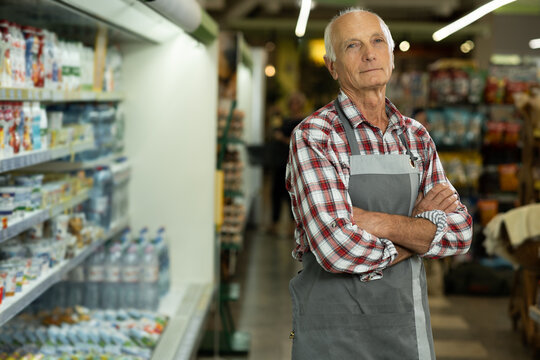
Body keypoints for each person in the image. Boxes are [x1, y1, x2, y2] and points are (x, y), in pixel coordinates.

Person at [285, 8, 472, 359]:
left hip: (407, 328)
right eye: (353, 45)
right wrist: (418, 234)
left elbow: (461, 233)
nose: (370, 53)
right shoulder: (315, 136)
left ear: (391, 54)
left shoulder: (416, 137)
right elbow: (335, 248)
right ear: (333, 66)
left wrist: (377, 222)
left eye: (377, 42)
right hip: (334, 336)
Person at [268, 92, 307, 235]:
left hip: (294, 162)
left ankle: (293, 226)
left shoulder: (303, 121)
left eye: (296, 102)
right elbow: (275, 130)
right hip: (280, 161)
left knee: (291, 194)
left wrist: (283, 139)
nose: (293, 105)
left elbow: (299, 141)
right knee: (276, 192)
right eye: (292, 102)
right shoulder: (285, 119)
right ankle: (274, 223)